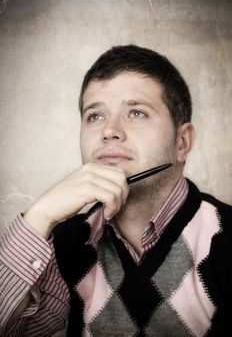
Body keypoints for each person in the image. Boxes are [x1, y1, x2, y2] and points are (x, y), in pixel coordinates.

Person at [0, 45, 231, 337]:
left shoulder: (225, 237)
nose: (109, 131)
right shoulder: (63, 244)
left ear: (182, 143)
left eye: (136, 112)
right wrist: (39, 217)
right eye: (95, 116)